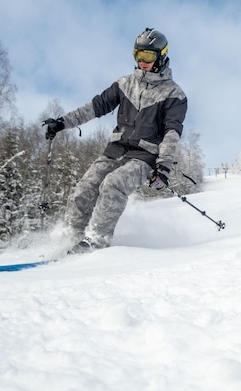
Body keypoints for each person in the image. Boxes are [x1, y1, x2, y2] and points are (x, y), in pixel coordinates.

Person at [43, 28, 187, 253]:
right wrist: (62, 123)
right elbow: (94, 107)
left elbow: (172, 132)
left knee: (113, 183)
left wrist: (164, 166)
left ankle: (97, 240)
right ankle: (69, 237)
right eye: (138, 56)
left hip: (145, 156)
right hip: (117, 149)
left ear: (161, 55)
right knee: (86, 186)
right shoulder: (125, 84)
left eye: (148, 56)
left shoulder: (174, 95)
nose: (142, 62)